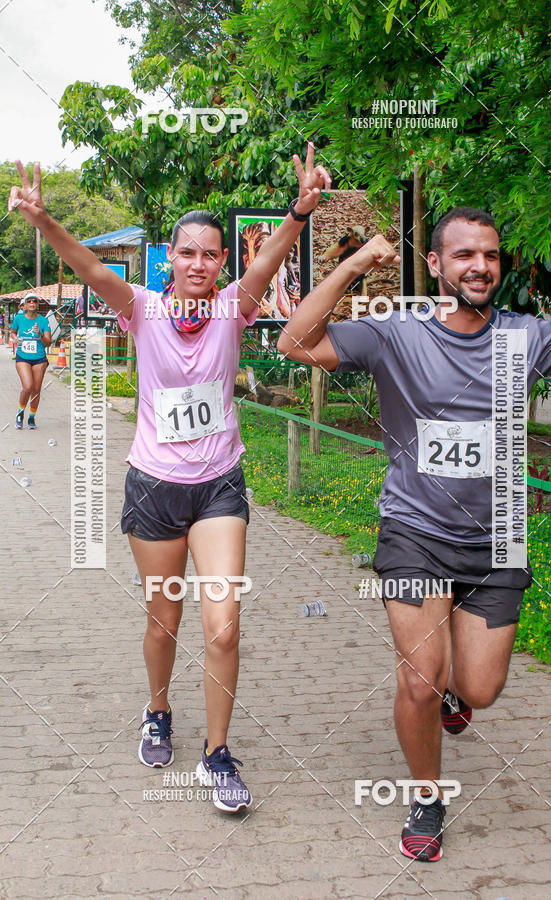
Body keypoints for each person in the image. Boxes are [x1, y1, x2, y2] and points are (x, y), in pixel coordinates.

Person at [9, 147, 331, 812]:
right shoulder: (142, 307)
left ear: (221, 264)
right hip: (154, 486)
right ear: (170, 261)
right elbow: (90, 268)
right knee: (165, 621)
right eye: (187, 253)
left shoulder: (230, 310)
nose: (198, 264)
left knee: (224, 626)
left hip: (218, 485)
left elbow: (266, 262)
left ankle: (217, 754)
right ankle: (158, 710)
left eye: (211, 254)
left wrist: (299, 212)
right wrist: (43, 222)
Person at [278, 207, 551, 860]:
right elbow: (295, 342)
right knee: (420, 681)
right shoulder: (396, 332)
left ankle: (458, 687)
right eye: (463, 255)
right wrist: (355, 265)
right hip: (415, 529)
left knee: (479, 688)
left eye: (491, 254)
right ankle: (427, 794)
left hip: (497, 537)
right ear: (435, 265)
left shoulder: (527, 336)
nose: (480, 266)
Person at [9, 292, 52, 429]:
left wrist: (39, 334)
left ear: (37, 304)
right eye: (29, 301)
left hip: (39, 358)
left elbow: (48, 343)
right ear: (25, 305)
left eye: (35, 301)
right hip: (23, 357)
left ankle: (32, 417)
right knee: (27, 386)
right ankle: (20, 412)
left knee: (36, 389)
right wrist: (14, 339)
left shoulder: (43, 321)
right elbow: (12, 332)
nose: (32, 303)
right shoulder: (18, 318)